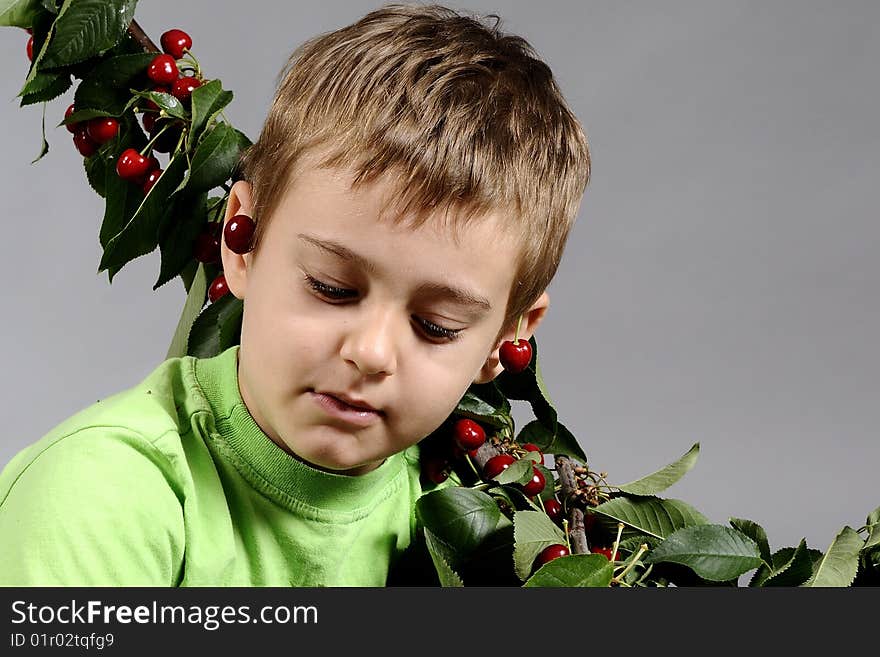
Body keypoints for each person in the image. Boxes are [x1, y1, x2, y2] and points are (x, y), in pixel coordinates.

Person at [0, 2, 590, 586]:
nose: (372, 353)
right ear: (243, 241)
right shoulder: (99, 499)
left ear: (507, 338)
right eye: (332, 288)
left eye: (436, 325)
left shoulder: (480, 520)